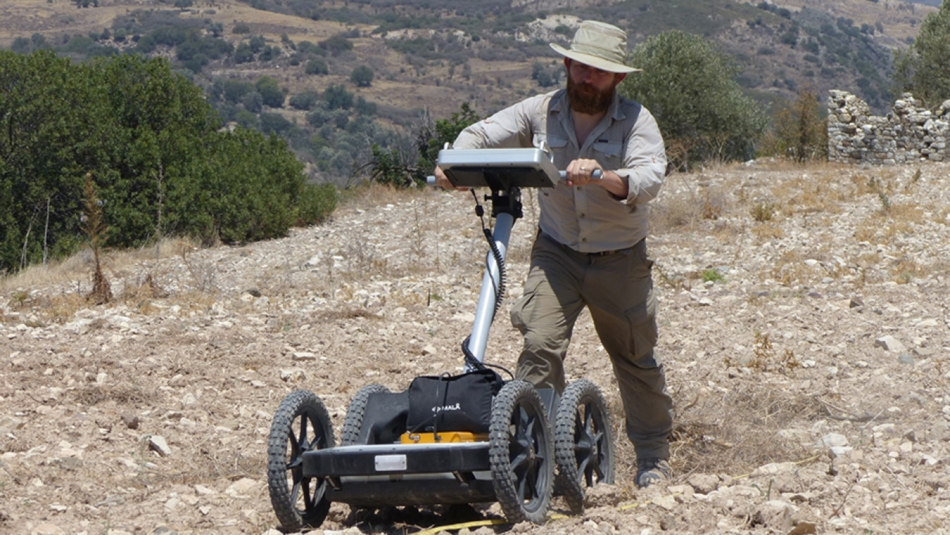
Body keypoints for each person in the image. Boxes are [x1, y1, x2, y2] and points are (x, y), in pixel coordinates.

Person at [434, 20, 673, 488]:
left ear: (618, 78)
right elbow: (480, 134)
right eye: (581, 67)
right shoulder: (539, 111)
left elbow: (650, 177)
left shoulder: (636, 120)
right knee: (539, 346)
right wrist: (453, 165)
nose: (588, 78)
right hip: (556, 253)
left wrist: (605, 176)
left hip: (620, 258)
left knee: (635, 358)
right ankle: (534, 458)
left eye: (599, 72)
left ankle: (652, 458)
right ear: (567, 64)